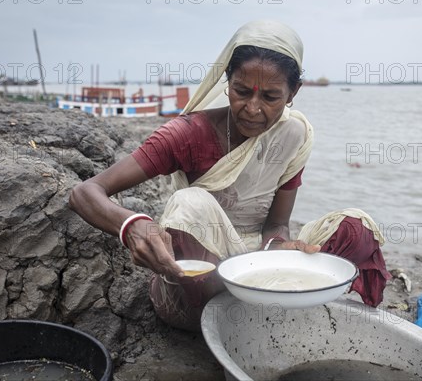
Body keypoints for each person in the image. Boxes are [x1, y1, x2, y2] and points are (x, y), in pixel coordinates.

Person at [69, 20, 390, 331]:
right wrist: (131, 225)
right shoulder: (188, 133)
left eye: (270, 97)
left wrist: (278, 247)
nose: (252, 108)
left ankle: (269, 300)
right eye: (241, 91)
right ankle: (241, 312)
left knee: (355, 228)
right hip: (198, 280)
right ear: (227, 81)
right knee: (189, 203)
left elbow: (277, 223)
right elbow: (85, 192)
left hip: (258, 259)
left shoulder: (293, 135)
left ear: (293, 92)